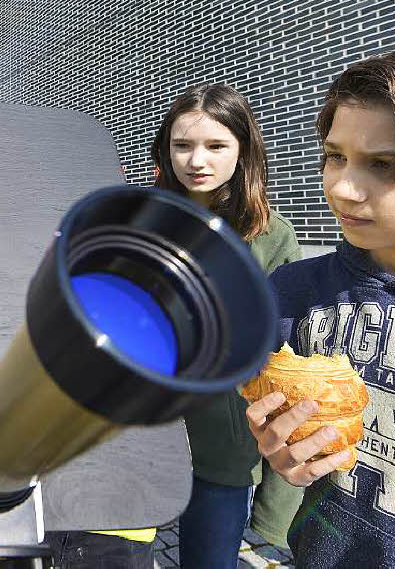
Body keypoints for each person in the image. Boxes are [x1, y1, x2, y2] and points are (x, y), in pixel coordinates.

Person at [245, 45, 395, 568]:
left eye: (383, 165)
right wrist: (282, 447)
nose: (341, 186)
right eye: (334, 155)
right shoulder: (296, 292)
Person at [150, 83, 303, 567]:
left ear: (244, 150)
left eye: (216, 146)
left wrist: (277, 506)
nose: (197, 160)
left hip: (223, 447)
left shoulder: (271, 235)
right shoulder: (141, 221)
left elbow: (285, 361)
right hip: (138, 431)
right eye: (183, 145)